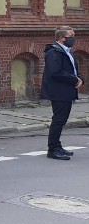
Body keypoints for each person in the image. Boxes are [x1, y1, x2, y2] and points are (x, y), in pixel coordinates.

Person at [41, 26, 81, 160]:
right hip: (59, 91)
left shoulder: (66, 51)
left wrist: (79, 78)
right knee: (58, 120)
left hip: (66, 90)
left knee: (61, 119)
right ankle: (52, 149)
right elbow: (56, 72)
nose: (73, 38)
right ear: (62, 38)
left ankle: (57, 145)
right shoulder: (54, 52)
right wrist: (74, 79)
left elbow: (72, 68)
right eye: (71, 36)